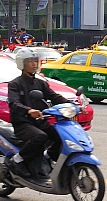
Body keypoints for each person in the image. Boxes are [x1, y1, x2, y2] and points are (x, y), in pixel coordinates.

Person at [5, 49, 68, 181]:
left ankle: (49, 158)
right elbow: (14, 104)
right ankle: (17, 160)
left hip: (39, 121)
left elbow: (54, 97)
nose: (34, 64)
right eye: (30, 61)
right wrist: (29, 110)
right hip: (23, 123)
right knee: (40, 137)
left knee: (61, 136)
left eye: (35, 61)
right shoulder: (15, 84)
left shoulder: (40, 83)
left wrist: (74, 105)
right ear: (22, 63)